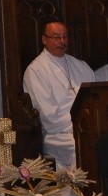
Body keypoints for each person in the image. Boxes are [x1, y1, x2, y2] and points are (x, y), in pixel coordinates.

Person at [23, 19, 95, 169]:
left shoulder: (80, 66)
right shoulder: (36, 70)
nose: (62, 41)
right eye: (56, 37)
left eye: (65, 36)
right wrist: (80, 125)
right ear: (44, 39)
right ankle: (82, 191)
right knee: (83, 146)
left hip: (87, 128)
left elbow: (95, 99)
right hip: (57, 135)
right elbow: (49, 118)